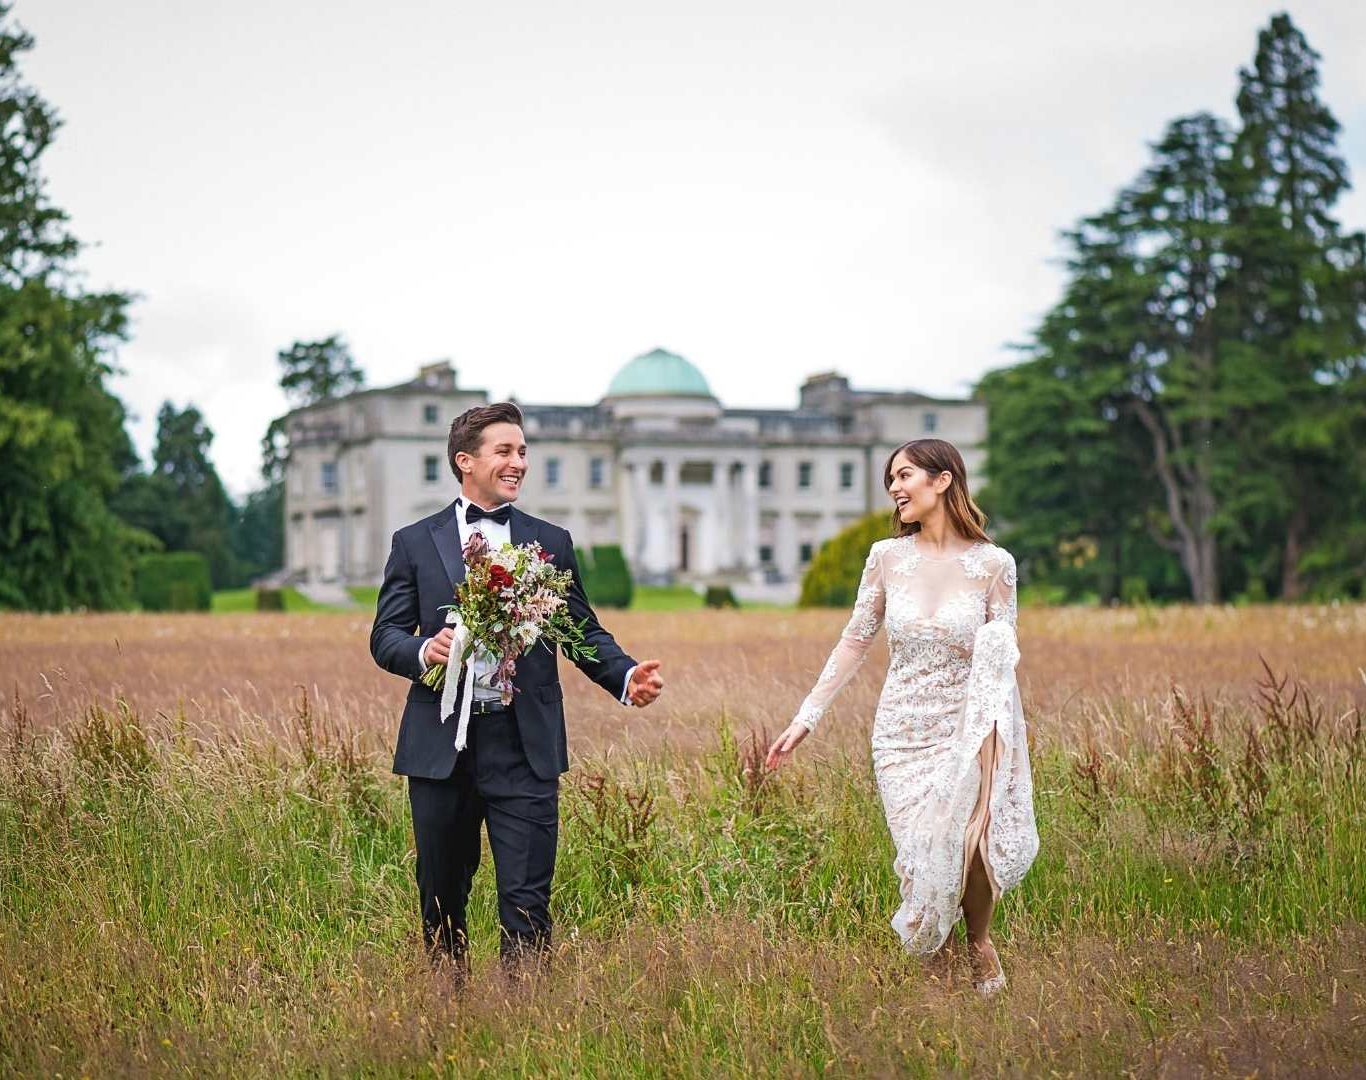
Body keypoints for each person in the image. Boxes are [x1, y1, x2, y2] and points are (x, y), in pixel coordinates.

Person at [370, 402, 665, 976]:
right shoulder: (412, 542)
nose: (519, 463)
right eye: (505, 451)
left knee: (528, 904)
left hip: (525, 746)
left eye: (523, 452)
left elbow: (578, 629)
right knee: (440, 900)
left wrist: (626, 676)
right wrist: (421, 650)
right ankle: (445, 1014)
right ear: (466, 461)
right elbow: (384, 636)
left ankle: (523, 1023)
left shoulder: (549, 540)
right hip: (441, 747)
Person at [766, 438, 1038, 995]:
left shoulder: (994, 565)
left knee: (974, 848)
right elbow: (854, 641)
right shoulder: (885, 558)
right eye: (891, 478)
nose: (894, 488)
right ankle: (936, 971)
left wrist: (996, 736)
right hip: (902, 734)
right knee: (923, 853)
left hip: (970, 728)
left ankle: (979, 941)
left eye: (905, 475)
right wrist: (807, 715)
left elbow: (1003, 655)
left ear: (943, 481)